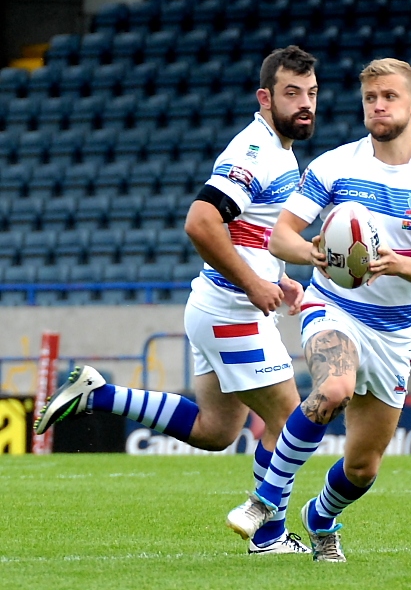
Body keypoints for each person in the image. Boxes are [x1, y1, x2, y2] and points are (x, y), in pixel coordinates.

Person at [34, 45, 319, 555]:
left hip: (216, 305)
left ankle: (98, 396)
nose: (305, 104)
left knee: (214, 431)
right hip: (234, 311)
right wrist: (254, 285)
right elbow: (201, 221)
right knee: (291, 420)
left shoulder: (278, 149)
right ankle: (271, 536)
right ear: (265, 97)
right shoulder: (253, 152)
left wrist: (276, 277)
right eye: (291, 93)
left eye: (312, 93)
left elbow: (247, 232)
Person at [226, 57, 411, 562]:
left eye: (389, 97)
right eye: (370, 99)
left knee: (363, 467)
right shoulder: (334, 165)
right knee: (333, 387)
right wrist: (310, 251)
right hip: (333, 306)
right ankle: (265, 502)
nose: (378, 106)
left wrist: (396, 264)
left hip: (394, 331)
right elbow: (280, 234)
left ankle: (320, 518)